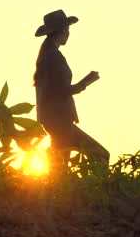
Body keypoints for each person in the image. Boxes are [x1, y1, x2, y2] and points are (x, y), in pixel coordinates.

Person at [33, 9, 110, 172]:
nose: (68, 33)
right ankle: (92, 193)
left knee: (59, 167)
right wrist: (88, 80)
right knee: (99, 155)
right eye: (67, 29)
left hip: (54, 120)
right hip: (60, 120)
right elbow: (63, 90)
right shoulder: (53, 56)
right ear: (63, 31)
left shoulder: (46, 54)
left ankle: (70, 192)